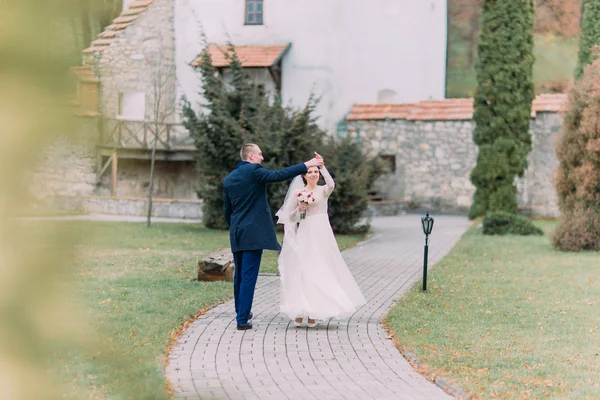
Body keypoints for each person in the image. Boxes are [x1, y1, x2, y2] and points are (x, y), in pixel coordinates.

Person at [223, 143, 323, 330]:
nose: (262, 158)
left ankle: (241, 311)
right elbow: (279, 175)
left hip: (237, 232)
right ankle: (242, 319)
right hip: (253, 233)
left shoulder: (229, 179)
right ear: (251, 156)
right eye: (260, 154)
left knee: (239, 276)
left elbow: (227, 210)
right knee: (249, 276)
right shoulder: (255, 172)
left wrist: (235, 227)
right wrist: (306, 164)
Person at [276, 163, 366, 328]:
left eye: (315, 172)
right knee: (304, 269)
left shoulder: (323, 190)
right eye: (310, 172)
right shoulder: (298, 193)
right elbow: (293, 218)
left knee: (320, 268)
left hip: (322, 233)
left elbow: (332, 184)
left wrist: (323, 167)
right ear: (304, 176)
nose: (313, 174)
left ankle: (313, 312)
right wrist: (300, 209)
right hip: (305, 231)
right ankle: (300, 310)